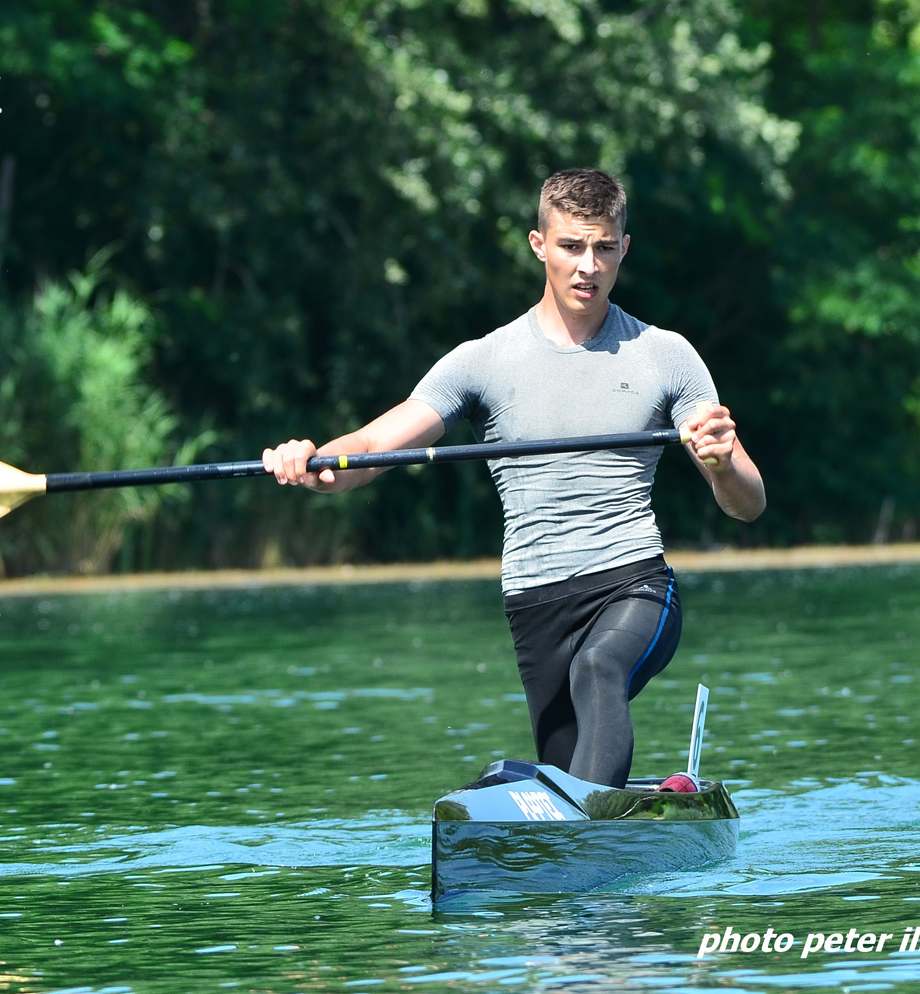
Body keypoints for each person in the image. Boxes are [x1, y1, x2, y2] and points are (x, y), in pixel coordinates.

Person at [261, 168, 765, 789]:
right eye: (571, 246)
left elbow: (748, 503)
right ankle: (565, 807)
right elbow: (366, 451)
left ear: (624, 249)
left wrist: (721, 461)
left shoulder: (665, 355)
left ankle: (582, 841)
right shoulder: (483, 361)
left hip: (634, 584)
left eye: (605, 247)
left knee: (599, 670)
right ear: (538, 245)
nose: (589, 265)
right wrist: (311, 463)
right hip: (535, 603)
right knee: (562, 769)